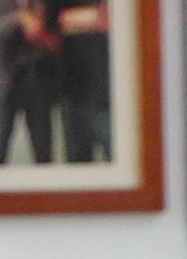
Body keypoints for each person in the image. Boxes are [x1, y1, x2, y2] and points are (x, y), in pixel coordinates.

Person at [0, 0, 63, 167]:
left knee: (44, 157)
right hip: (3, 82)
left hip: (40, 80)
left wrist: (44, 36)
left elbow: (59, 35)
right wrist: (18, 20)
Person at [57, 1, 114, 162]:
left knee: (118, 156)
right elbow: (44, 25)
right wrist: (90, 17)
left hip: (106, 93)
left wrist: (73, 19)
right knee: (78, 164)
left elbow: (108, 19)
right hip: (72, 91)